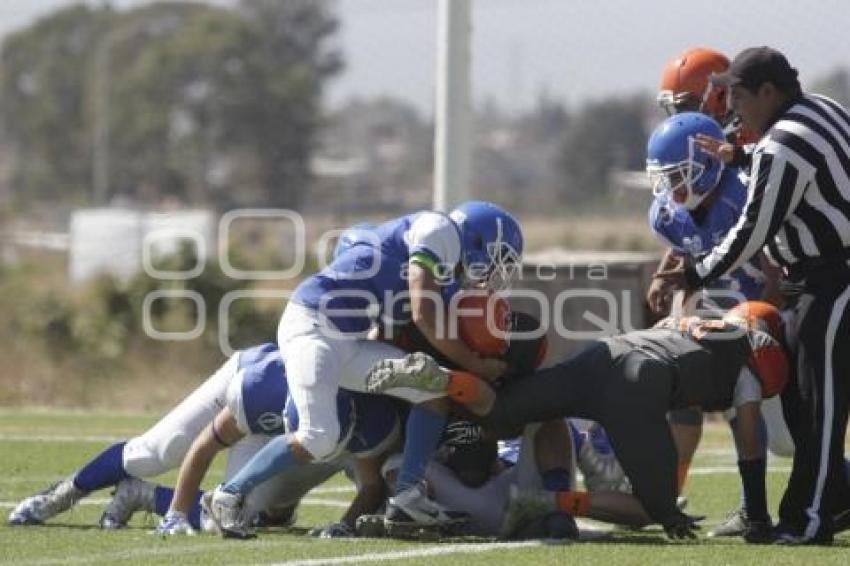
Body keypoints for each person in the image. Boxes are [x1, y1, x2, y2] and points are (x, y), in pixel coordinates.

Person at [209, 202, 524, 537]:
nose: (494, 270)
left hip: (347, 339)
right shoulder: (439, 230)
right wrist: (475, 364)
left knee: (431, 390)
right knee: (318, 436)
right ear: (477, 239)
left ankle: (406, 497)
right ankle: (228, 495)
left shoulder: (440, 265)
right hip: (313, 324)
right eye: (498, 257)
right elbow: (422, 314)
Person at [367, 301, 790, 542]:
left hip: (604, 354)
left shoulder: (697, 320)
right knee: (653, 511)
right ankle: (550, 503)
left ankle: (443, 379)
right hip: (639, 385)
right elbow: (750, 442)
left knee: (499, 413)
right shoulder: (750, 358)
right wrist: (755, 516)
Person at [655, 46, 850, 545]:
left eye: (738, 94)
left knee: (819, 408)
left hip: (833, 277)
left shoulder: (782, 145)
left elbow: (751, 232)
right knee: (810, 405)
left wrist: (696, 273)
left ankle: (809, 518)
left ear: (769, 92)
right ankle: (818, 506)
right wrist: (743, 157)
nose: (731, 106)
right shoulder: (822, 107)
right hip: (821, 275)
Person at [7, 342, 394, 530]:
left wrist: (344, 524)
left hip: (293, 406)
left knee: (233, 517)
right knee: (156, 452)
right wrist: (177, 514)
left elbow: (371, 481)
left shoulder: (366, 413)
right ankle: (59, 496)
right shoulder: (258, 389)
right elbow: (204, 445)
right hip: (252, 378)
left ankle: (139, 494)